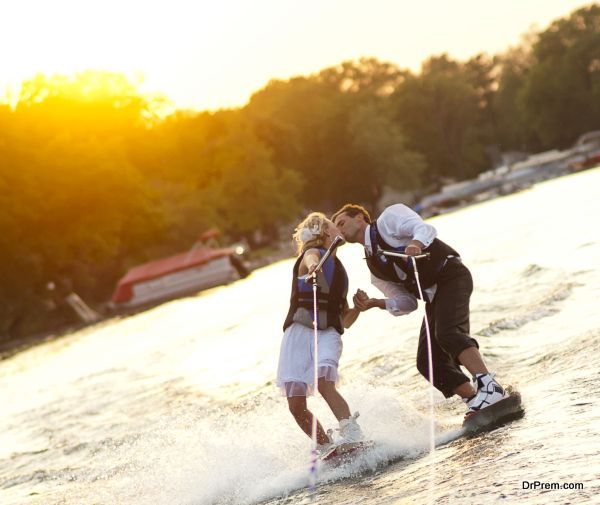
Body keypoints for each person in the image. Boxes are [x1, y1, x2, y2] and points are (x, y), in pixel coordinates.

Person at [331, 203, 507, 417]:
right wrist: (376, 303)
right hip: (433, 298)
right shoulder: (374, 270)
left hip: (451, 276)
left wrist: (415, 243)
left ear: (359, 217)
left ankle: (491, 387)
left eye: (341, 222)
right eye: (335, 228)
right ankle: (475, 399)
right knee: (427, 362)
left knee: (447, 333)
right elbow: (408, 303)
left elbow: (424, 229)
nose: (338, 229)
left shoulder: (389, 219)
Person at [276, 212, 364, 453]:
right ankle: (328, 448)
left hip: (327, 334)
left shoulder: (339, 272)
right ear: (327, 233)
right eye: (335, 227)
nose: (340, 230)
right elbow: (312, 258)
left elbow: (344, 322)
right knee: (296, 405)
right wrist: (315, 268)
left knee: (325, 382)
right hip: (298, 334)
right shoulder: (311, 255)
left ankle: (353, 435)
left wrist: (358, 308)